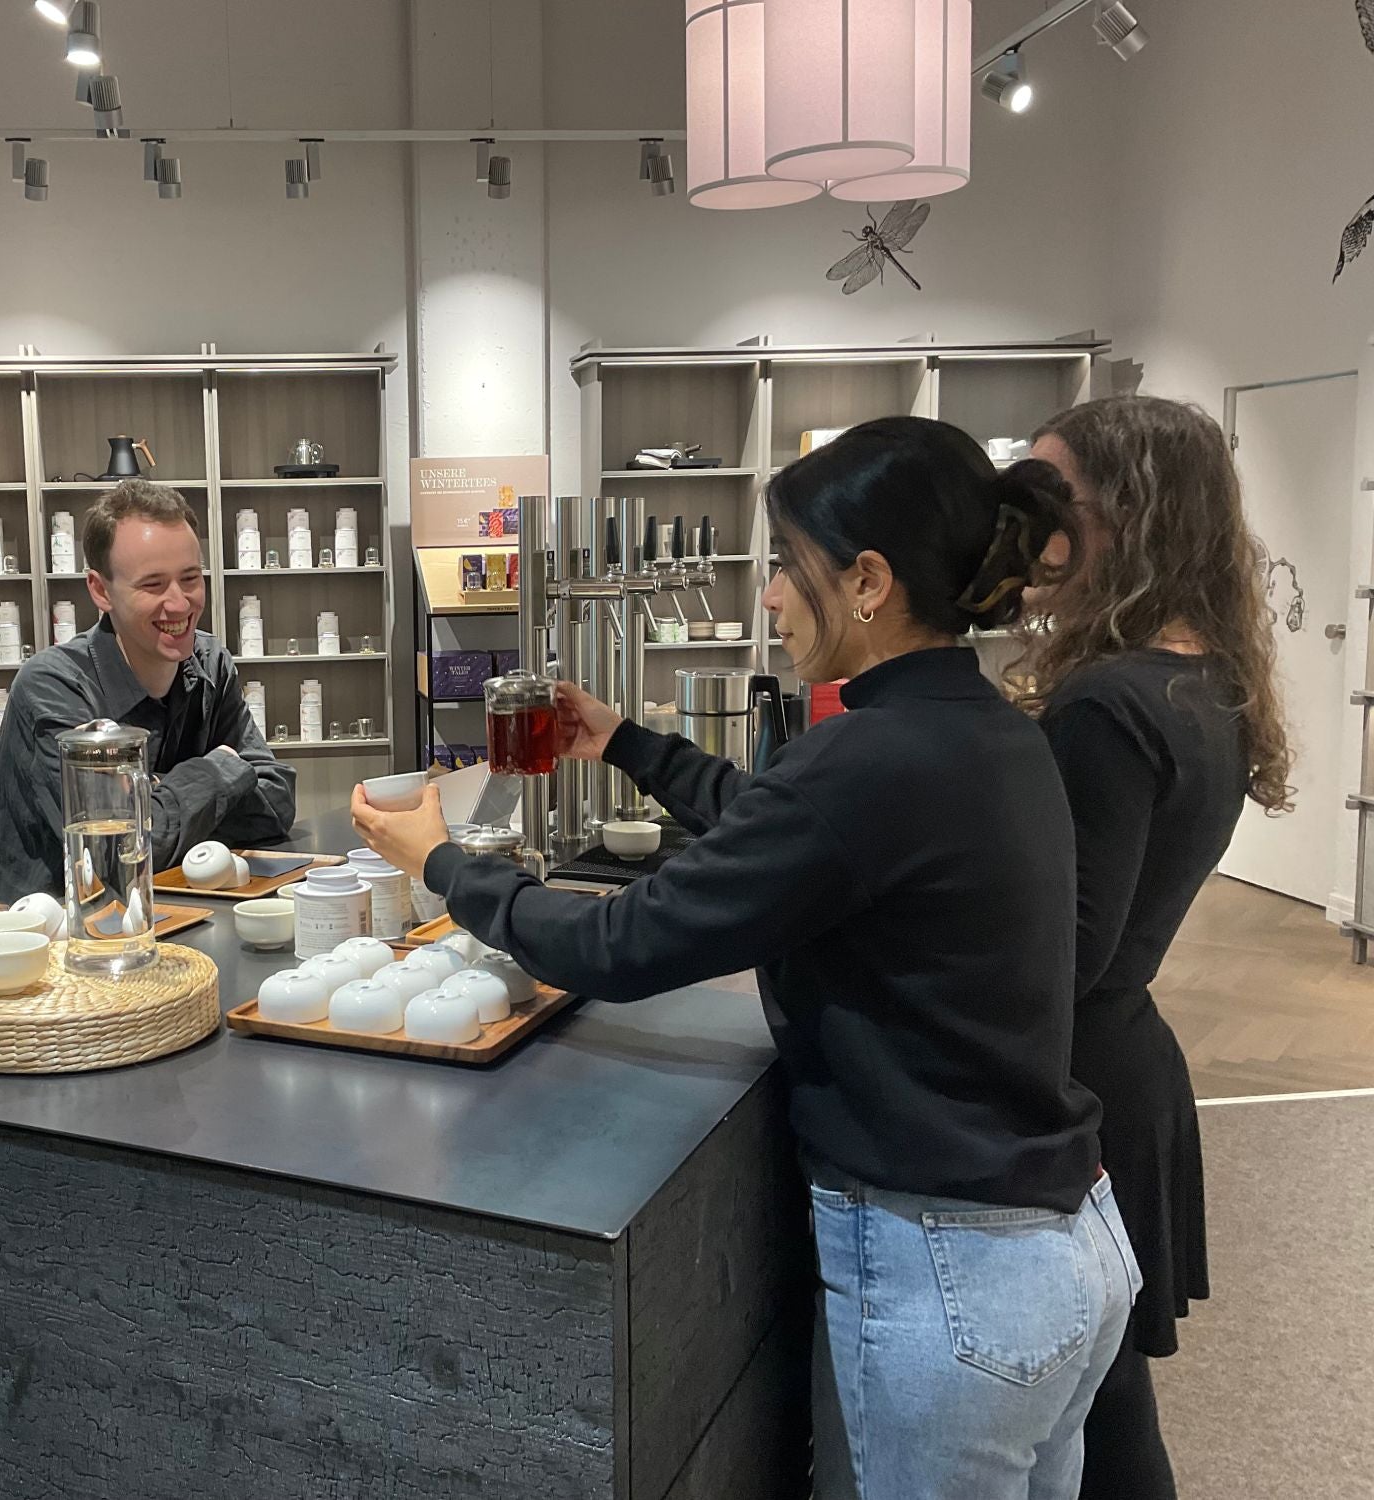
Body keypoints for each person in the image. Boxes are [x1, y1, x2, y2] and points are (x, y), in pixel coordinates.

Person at [353, 417, 1140, 1500]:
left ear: (865, 582)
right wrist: (625, 740)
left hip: (949, 1268)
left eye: (786, 566)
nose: (769, 594)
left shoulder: (869, 758)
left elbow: (614, 946)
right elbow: (782, 828)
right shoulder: (979, 728)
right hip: (1060, 1245)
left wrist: (440, 860)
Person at [1025, 396, 1292, 1500]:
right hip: (1126, 1061)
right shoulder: (1197, 680)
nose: (1029, 532)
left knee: (1094, 1411)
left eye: (1049, 503)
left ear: (1123, 517)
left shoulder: (1105, 704)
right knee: (1102, 1396)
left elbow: (1066, 950)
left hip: (1080, 1079)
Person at [0, 479, 295, 900]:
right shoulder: (53, 686)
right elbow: (118, 857)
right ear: (101, 590)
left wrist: (155, 800)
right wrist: (219, 771)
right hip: (66, 944)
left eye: (190, 578)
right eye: (153, 585)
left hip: (191, 922)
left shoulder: (210, 663)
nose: (180, 603)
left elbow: (277, 803)